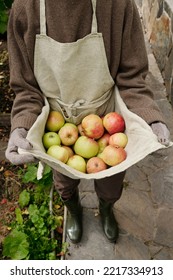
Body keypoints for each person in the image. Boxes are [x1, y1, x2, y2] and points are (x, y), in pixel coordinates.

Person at [6, 0, 170, 244]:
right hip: (58, 123)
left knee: (111, 183)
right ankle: (73, 210)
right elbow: (26, 88)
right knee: (64, 180)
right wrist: (22, 124)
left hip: (105, 118)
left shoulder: (117, 5)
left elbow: (132, 76)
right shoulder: (25, 10)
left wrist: (149, 116)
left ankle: (106, 209)